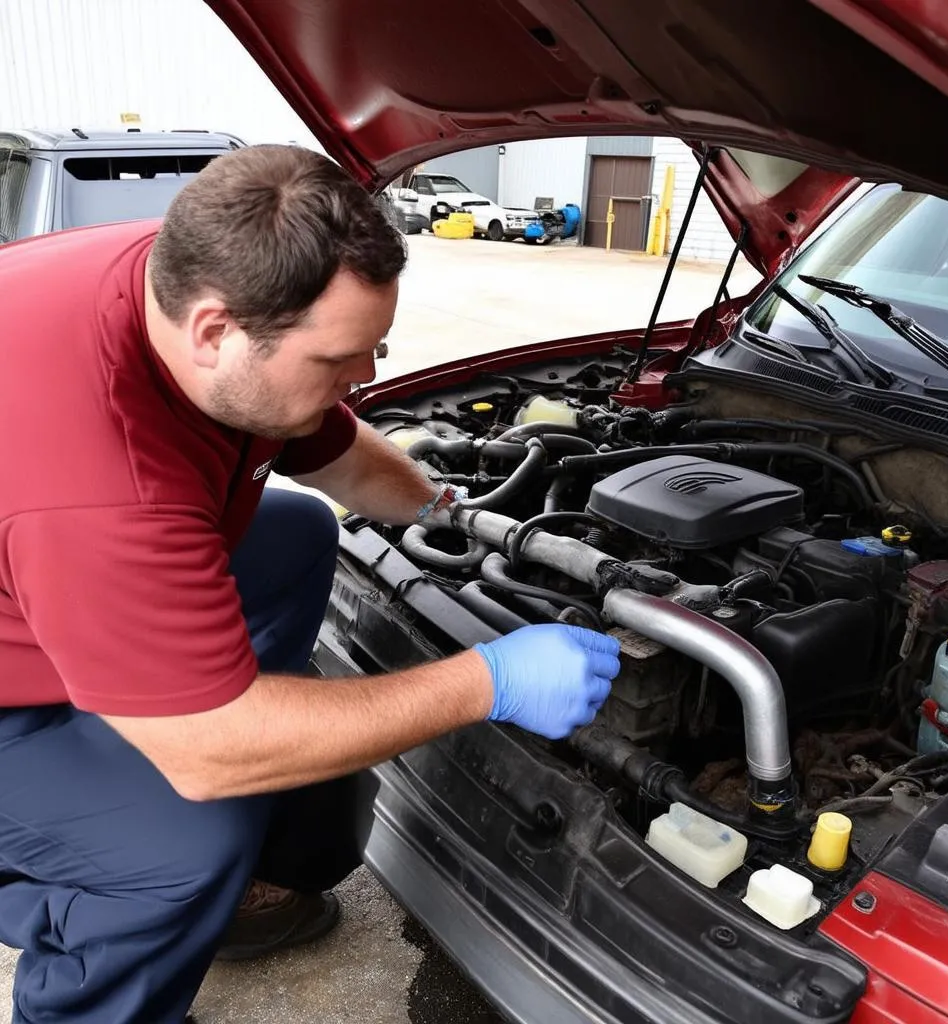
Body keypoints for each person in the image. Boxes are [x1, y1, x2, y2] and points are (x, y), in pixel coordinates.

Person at [0, 144, 620, 1023]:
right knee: (185, 841)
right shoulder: (98, 479)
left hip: (42, 582)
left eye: (371, 350)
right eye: (338, 361)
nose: (360, 381)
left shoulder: (186, 277)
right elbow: (210, 750)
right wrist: (490, 679)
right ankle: (88, 939)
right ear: (215, 332)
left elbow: (326, 443)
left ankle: (160, 747)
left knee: (294, 532)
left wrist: (446, 508)